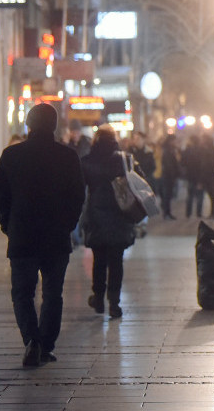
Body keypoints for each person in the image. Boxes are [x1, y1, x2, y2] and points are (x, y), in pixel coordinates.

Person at [0, 103, 85, 368]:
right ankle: (46, 345)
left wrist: (7, 225)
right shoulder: (67, 156)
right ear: (54, 126)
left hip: (22, 235)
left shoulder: (11, 155)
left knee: (22, 293)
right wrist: (68, 223)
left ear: (29, 124)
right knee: (53, 293)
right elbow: (77, 196)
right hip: (56, 236)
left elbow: (1, 197)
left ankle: (32, 341)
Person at [79, 125, 138, 318]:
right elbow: (140, 183)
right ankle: (114, 302)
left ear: (96, 140)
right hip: (120, 215)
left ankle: (98, 298)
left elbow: (79, 189)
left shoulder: (86, 161)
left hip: (96, 216)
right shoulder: (124, 160)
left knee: (99, 260)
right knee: (116, 261)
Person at [158, 134, 181, 219]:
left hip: (169, 175)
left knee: (168, 195)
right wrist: (173, 175)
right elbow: (169, 165)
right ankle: (166, 212)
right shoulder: (167, 150)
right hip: (168, 176)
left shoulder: (171, 150)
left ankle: (167, 212)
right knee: (167, 195)